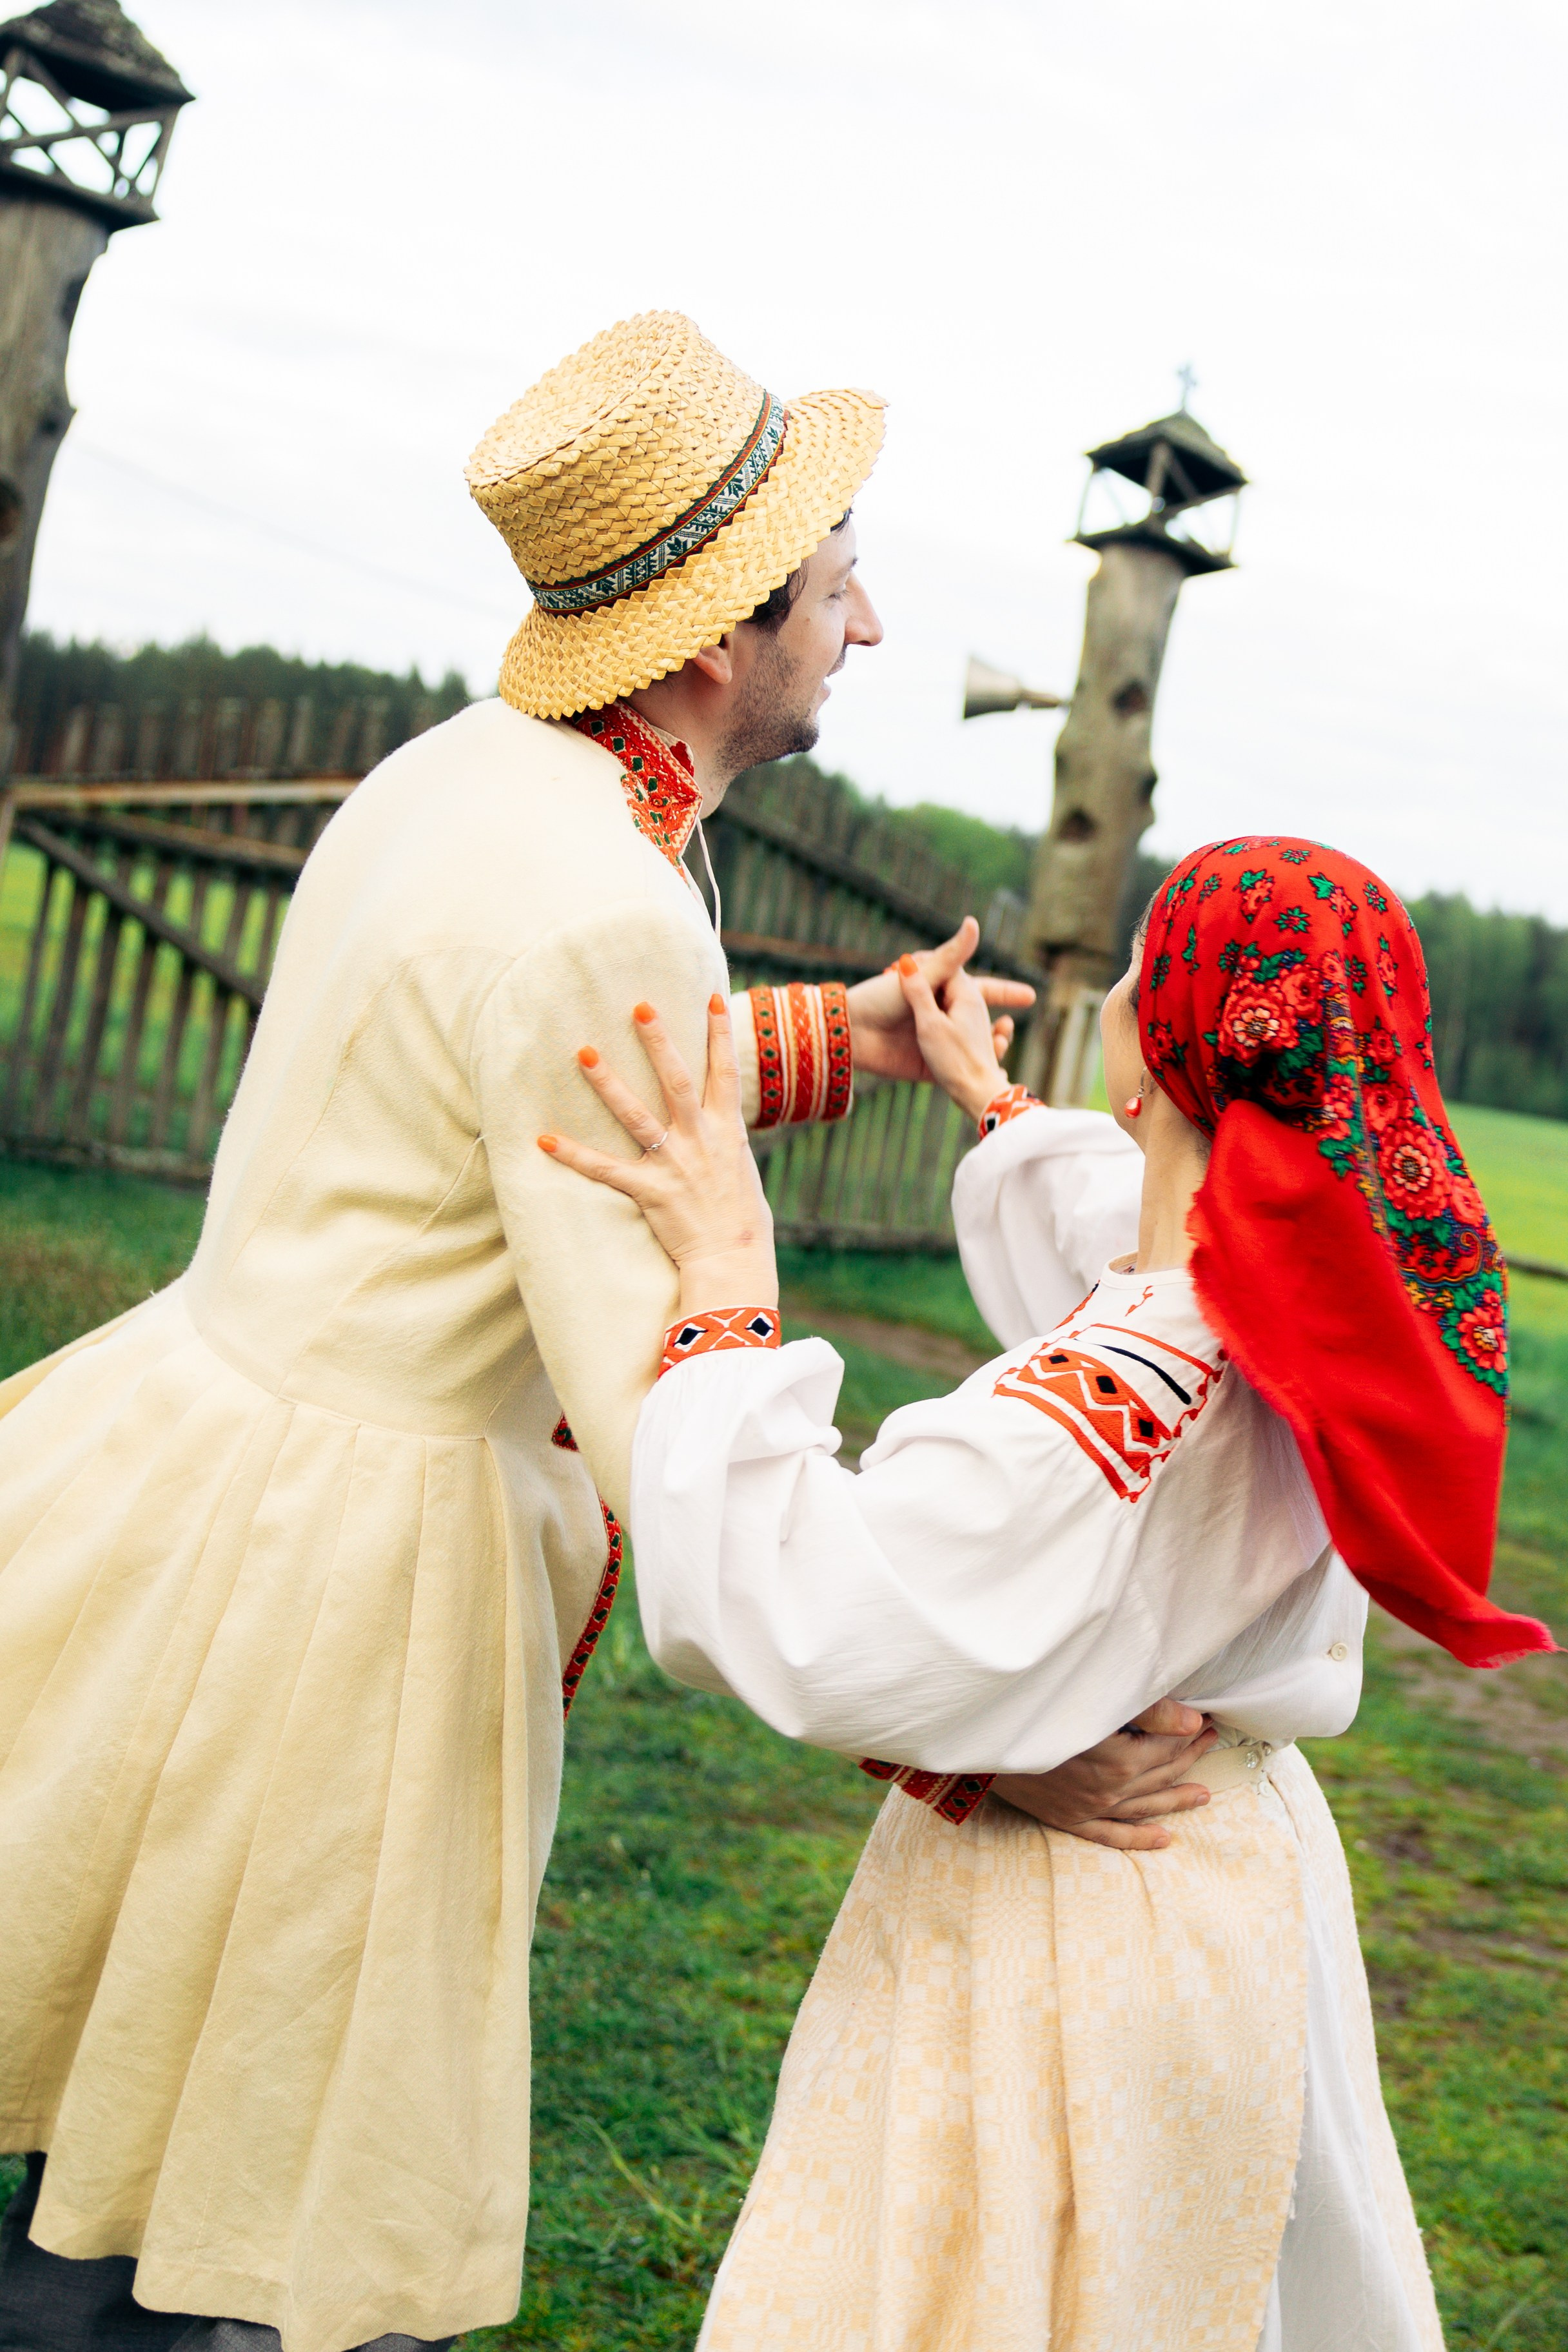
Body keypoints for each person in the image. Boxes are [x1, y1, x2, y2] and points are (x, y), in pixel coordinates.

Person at [0, 311, 1063, 2352]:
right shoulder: (603, 895)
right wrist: (997, 1724)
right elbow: (674, 1435)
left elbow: (534, 1069)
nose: (868, 620)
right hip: (328, 1602)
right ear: (710, 638)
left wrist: (833, 1039)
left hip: (169, 1483)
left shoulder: (468, 774)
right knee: (211, 2205)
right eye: (835, 586)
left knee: (82, 2079)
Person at [542, 834, 1553, 2352]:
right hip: (1231, 1882)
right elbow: (1128, 1236)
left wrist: (724, 1270)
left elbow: (816, 1611)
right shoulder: (1313, 1322)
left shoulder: (1123, 1408)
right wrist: (990, 1101)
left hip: (1081, 1940)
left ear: (1158, 1050)